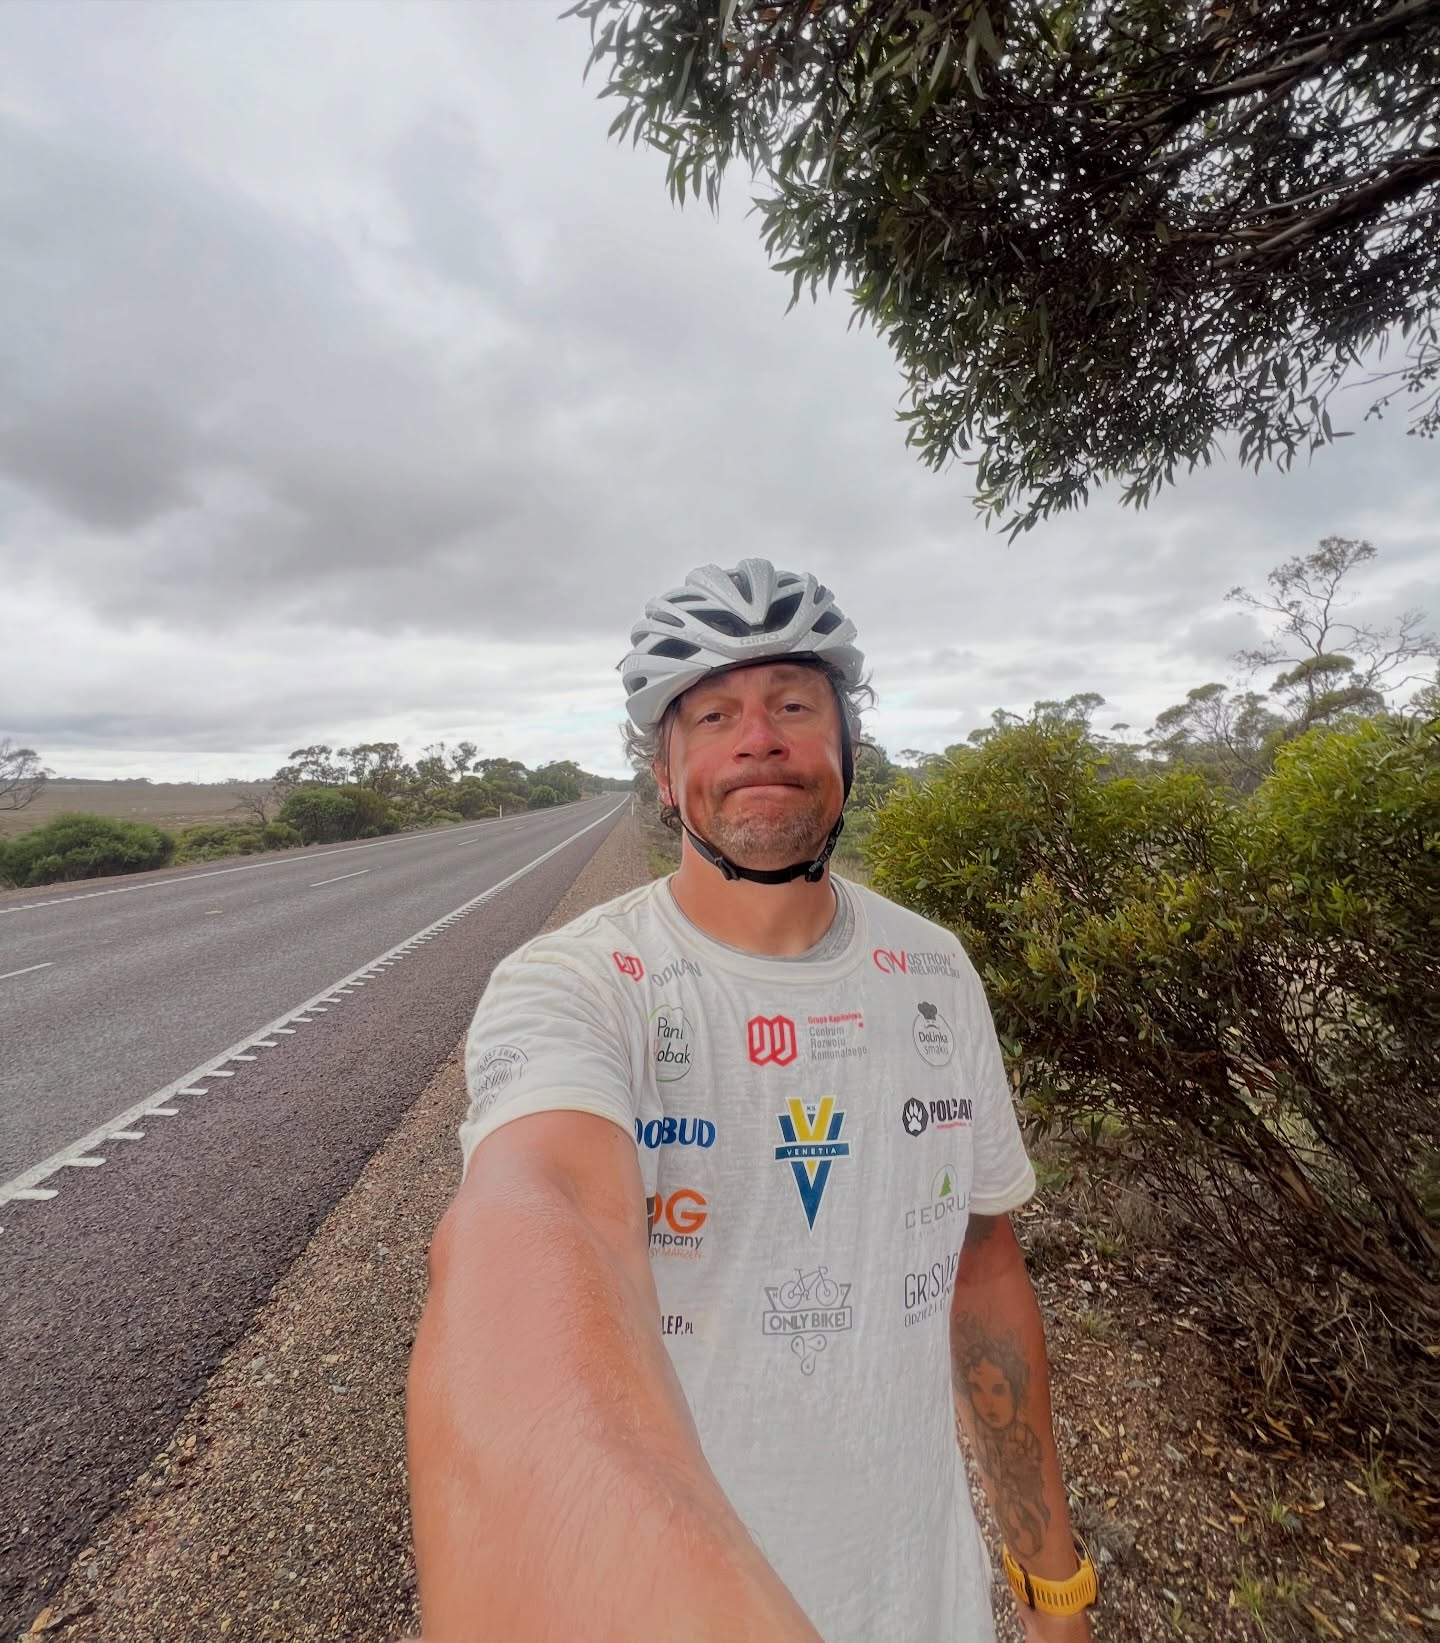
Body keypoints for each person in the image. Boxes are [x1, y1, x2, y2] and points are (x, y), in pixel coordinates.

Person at [406, 559, 1097, 1642]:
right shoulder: (576, 983)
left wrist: (1053, 1584)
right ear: (665, 771)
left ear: (847, 747)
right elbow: (539, 1217)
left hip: (928, 1597)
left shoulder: (935, 968)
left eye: (793, 705)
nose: (759, 738)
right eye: (715, 714)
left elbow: (983, 1271)